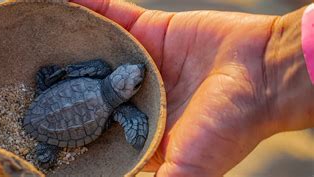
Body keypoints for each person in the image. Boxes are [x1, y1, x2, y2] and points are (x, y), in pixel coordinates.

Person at [69, 0, 314, 176]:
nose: (140, 72)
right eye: (136, 83)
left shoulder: (100, 76)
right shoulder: (121, 108)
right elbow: (133, 127)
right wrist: (271, 56)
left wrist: (270, 58)